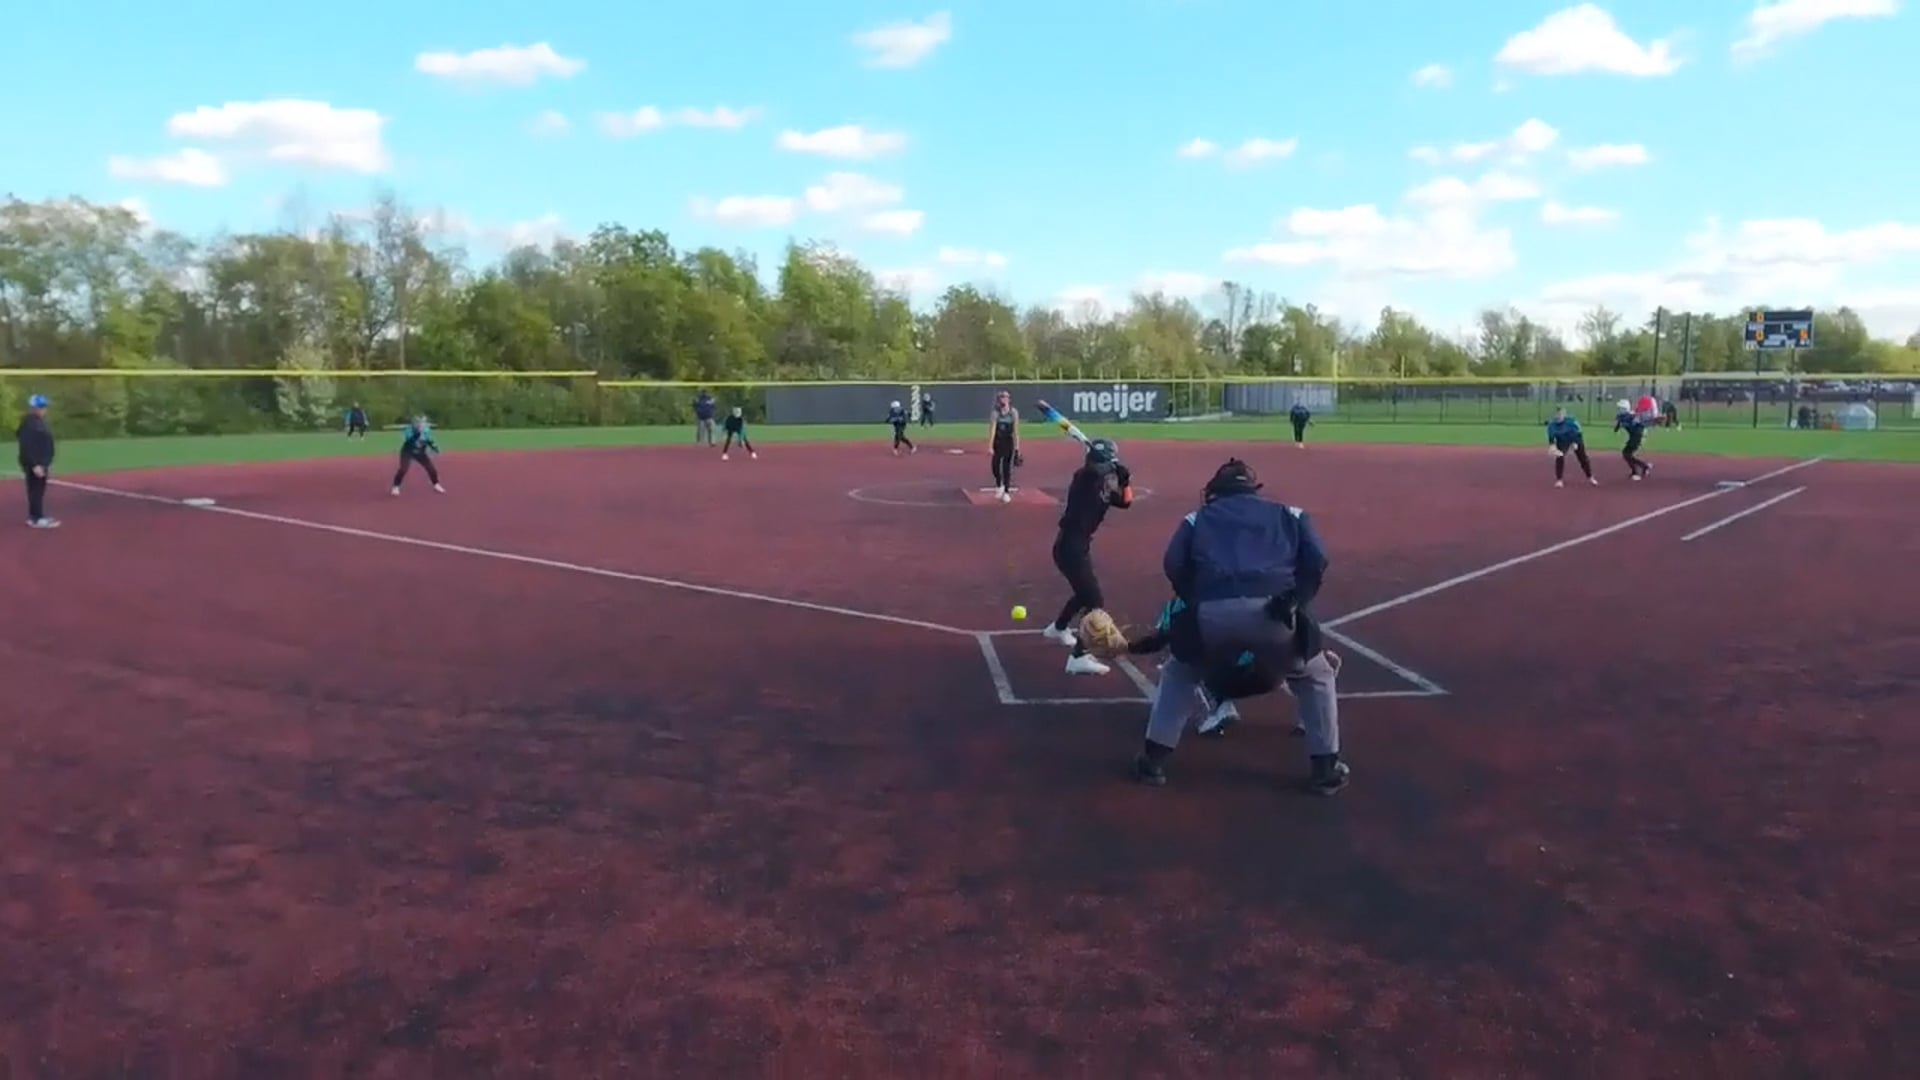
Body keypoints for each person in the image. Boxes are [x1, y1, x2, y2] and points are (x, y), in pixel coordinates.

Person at [1133, 459, 1346, 795]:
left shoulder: (1196, 519)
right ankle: (1325, 768)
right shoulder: (1291, 514)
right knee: (1315, 674)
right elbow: (1317, 559)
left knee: (1180, 673)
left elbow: (1173, 563)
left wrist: (1196, 598)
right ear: (1252, 489)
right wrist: (1296, 599)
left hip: (1211, 615)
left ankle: (1154, 761)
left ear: (1215, 491)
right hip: (1274, 615)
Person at [1126, 595, 1303, 739]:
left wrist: (1126, 647)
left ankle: (1219, 707)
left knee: (1183, 656)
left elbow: (1159, 640)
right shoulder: (1263, 596)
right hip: (1275, 671)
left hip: (1230, 675)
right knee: (1293, 647)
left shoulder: (1180, 603)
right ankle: (1309, 713)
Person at [1042, 437, 1135, 675]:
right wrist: (1114, 466)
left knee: (1084, 593)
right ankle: (1079, 657)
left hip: (1077, 546)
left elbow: (1126, 502)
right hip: (1069, 547)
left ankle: (1058, 628)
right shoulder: (1084, 478)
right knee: (1095, 600)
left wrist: (1125, 481)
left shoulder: (1104, 485)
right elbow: (1094, 472)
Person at [16, 393, 59, 529]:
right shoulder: (29, 424)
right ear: (33, 408)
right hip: (36, 463)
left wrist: (45, 463)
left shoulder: (38, 421)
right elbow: (26, 446)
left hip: (41, 462)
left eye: (44, 406)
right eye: (41, 407)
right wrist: (35, 465)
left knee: (38, 490)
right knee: (36, 490)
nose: (44, 409)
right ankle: (37, 518)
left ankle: (35, 516)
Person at [391, 415, 445, 495]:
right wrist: (419, 433)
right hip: (408, 451)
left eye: (419, 423)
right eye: (415, 424)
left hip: (420, 452)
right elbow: (410, 441)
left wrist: (434, 448)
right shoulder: (408, 430)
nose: (417, 425)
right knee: (403, 469)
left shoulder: (425, 430)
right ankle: (396, 486)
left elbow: (429, 440)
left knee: (431, 468)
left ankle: (436, 484)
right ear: (412, 424)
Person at [1546, 406, 1598, 488]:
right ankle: (1559, 480)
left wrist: (1575, 443)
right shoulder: (1552, 425)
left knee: (1583, 458)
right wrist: (1552, 447)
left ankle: (1590, 477)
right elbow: (1551, 438)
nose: (1558, 416)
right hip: (1562, 441)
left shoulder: (1571, 422)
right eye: (1557, 415)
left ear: (1564, 414)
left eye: (1560, 414)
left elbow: (1578, 432)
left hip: (1575, 439)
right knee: (1559, 456)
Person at [987, 391, 1020, 502]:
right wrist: (990, 446)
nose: (1003, 399)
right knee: (995, 466)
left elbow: (1016, 431)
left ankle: (1006, 491)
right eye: (1001, 397)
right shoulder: (995, 413)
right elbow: (992, 430)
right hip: (998, 441)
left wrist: (1017, 448)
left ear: (1009, 399)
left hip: (1008, 441)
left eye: (1005, 397)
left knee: (1006, 467)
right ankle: (999, 484)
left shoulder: (1013, 412)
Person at [1614, 400, 1652, 480]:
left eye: (1621, 408)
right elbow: (1618, 426)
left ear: (1625, 409)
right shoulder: (1621, 417)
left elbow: (1641, 425)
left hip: (1638, 436)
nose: (1619, 410)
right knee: (1626, 454)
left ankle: (1638, 471)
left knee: (1627, 454)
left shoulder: (1632, 416)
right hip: (1633, 436)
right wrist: (1617, 427)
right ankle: (1643, 467)